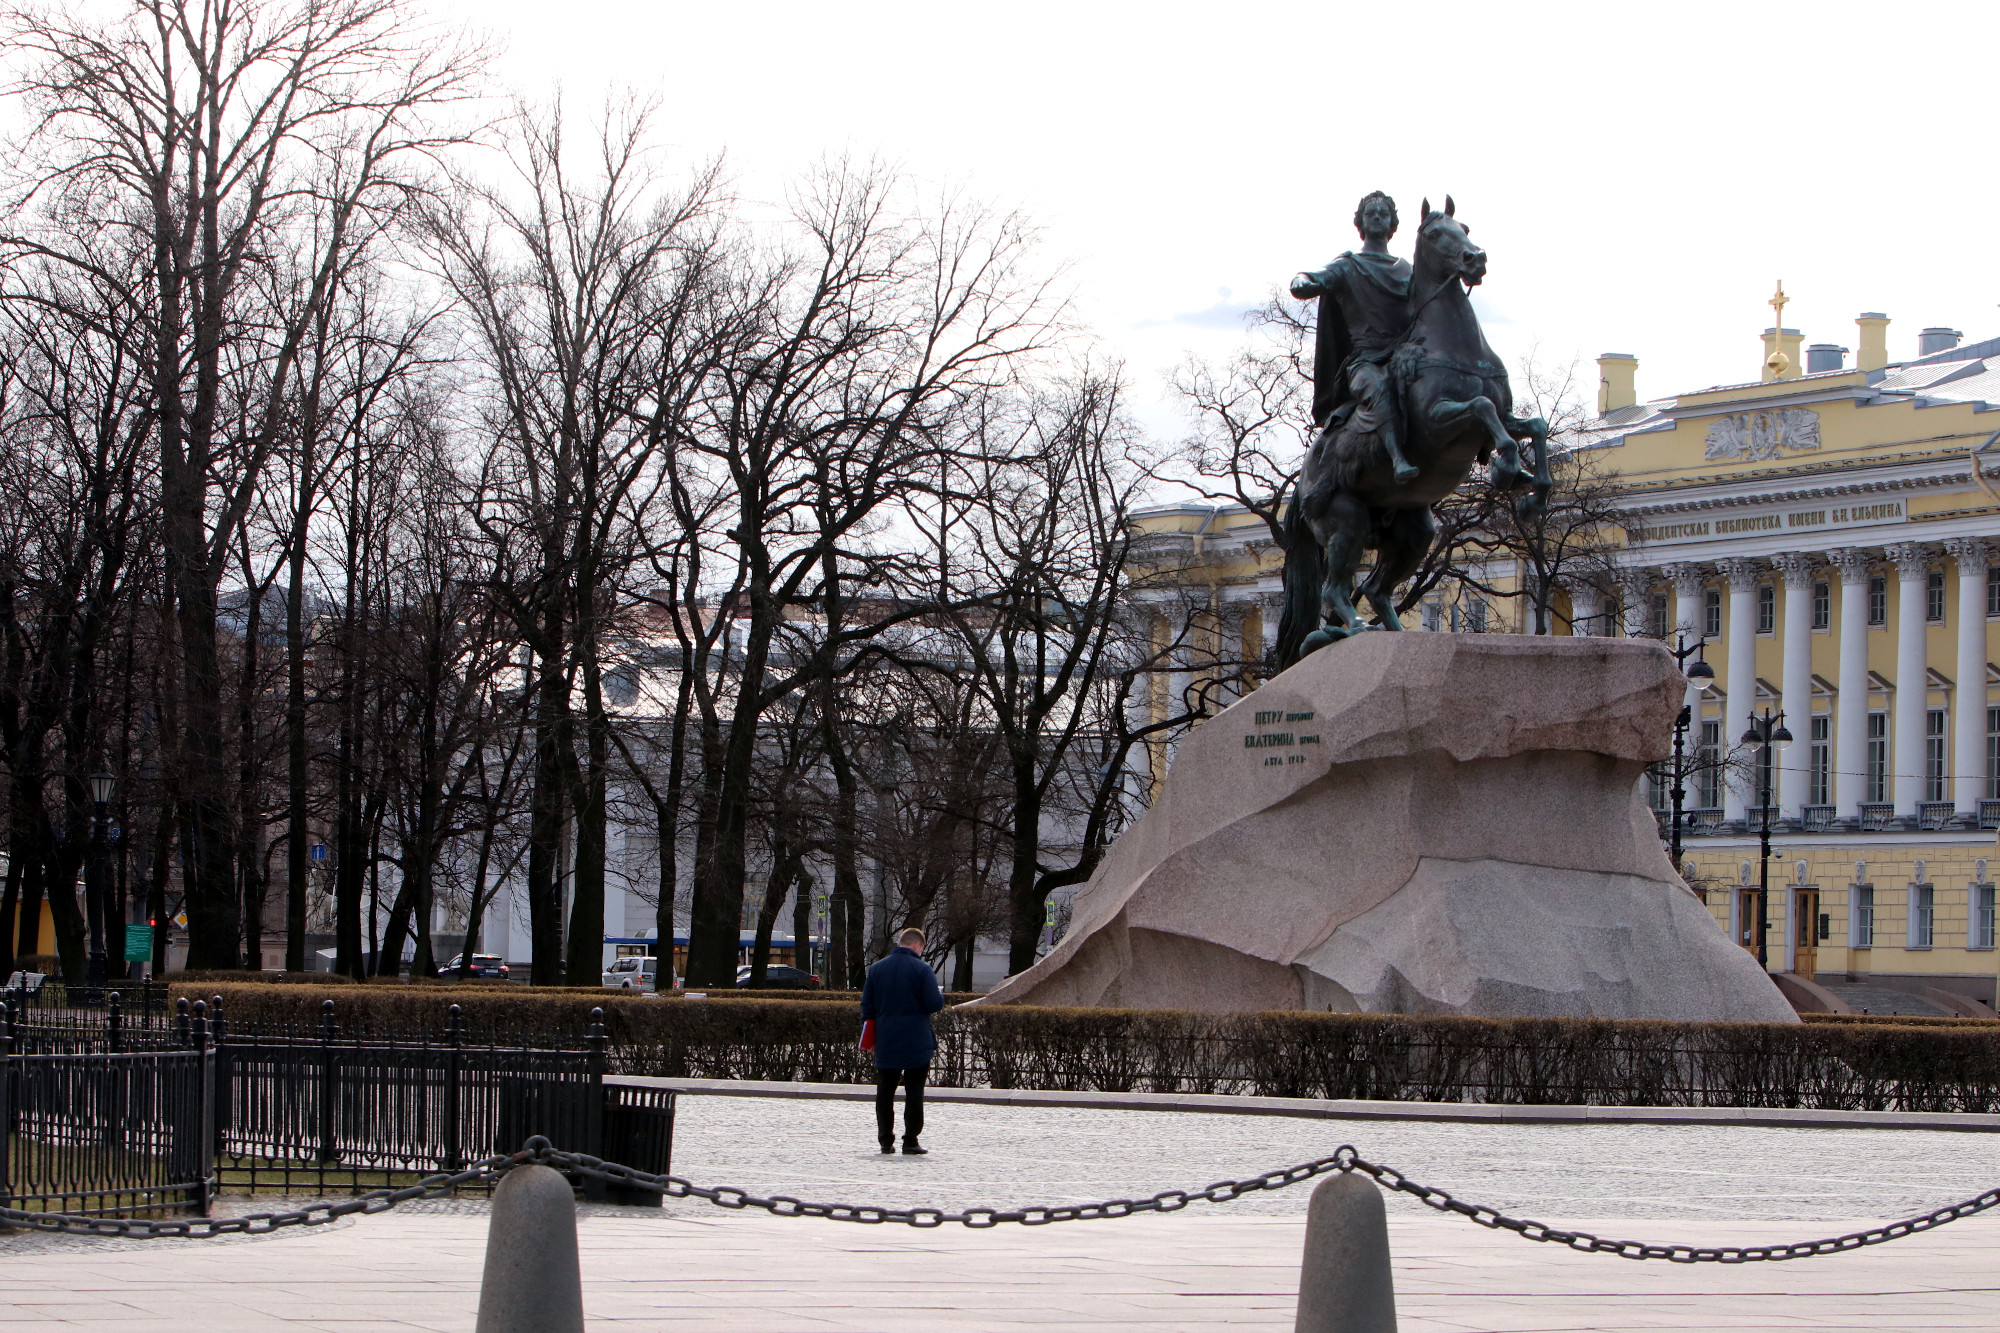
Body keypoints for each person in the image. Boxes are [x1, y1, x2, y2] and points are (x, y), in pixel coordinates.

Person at [1289, 190, 1417, 483]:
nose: (1377, 218)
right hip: (1366, 361)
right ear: (1360, 223)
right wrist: (1302, 280)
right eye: (1371, 214)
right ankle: (1398, 458)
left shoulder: (1407, 270)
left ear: (1392, 223)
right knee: (1377, 387)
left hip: (1404, 357)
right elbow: (1312, 277)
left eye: (1383, 214)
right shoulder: (1348, 265)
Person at [860, 926, 945, 1154]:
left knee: (885, 1091)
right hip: (916, 1041)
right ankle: (911, 1140)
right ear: (917, 945)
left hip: (886, 1039)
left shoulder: (876, 970)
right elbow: (933, 1004)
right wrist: (941, 995)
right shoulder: (922, 970)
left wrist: (870, 1038)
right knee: (914, 1091)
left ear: (900, 942)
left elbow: (867, 1008)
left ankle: (885, 1141)